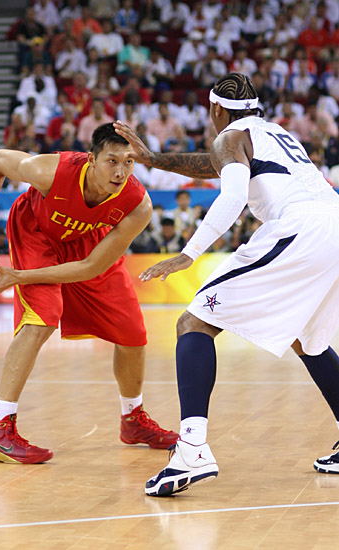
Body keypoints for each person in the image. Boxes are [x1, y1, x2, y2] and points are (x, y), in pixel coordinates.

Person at [114, 72, 339, 496]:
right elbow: (214, 165)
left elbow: (232, 195)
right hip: (334, 226)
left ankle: (192, 450)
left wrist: (189, 253)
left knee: (194, 321)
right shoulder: (273, 133)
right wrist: (154, 159)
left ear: (216, 108)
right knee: (308, 340)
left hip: (300, 230)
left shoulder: (230, 137)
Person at [0, 123, 178, 465]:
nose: (120, 171)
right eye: (112, 161)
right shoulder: (53, 171)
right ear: (92, 159)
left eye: (128, 162)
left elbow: (90, 267)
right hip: (36, 232)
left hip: (86, 244)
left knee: (132, 332)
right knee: (42, 319)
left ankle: (133, 419)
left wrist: (17, 277)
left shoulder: (138, 206)